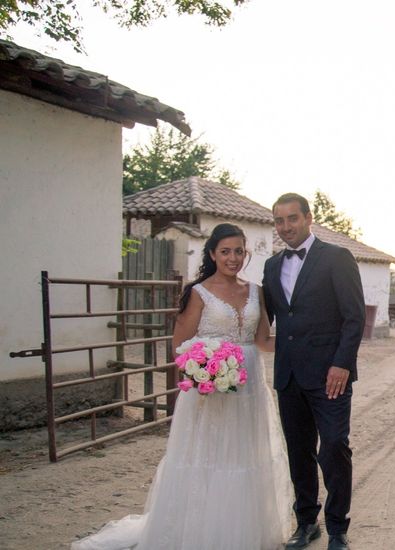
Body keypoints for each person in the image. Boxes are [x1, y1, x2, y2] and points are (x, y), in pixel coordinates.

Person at [72, 223, 292, 550]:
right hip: (209, 392)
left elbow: (261, 341)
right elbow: (180, 345)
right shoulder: (199, 292)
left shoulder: (257, 291)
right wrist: (207, 368)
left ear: (246, 253)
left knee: (243, 456)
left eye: (239, 251)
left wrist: (299, 340)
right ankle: (198, 533)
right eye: (225, 251)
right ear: (212, 254)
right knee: (209, 458)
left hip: (247, 387)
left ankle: (238, 533)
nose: (233, 258)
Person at [263, 193, 365, 550]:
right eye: (279, 221)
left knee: (335, 447)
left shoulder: (337, 258)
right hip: (288, 375)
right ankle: (307, 522)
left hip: (330, 376)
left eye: (292, 219)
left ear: (308, 218)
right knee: (299, 450)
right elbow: (266, 318)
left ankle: (337, 528)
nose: (286, 227)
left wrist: (342, 364)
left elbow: (355, 317)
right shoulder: (271, 266)